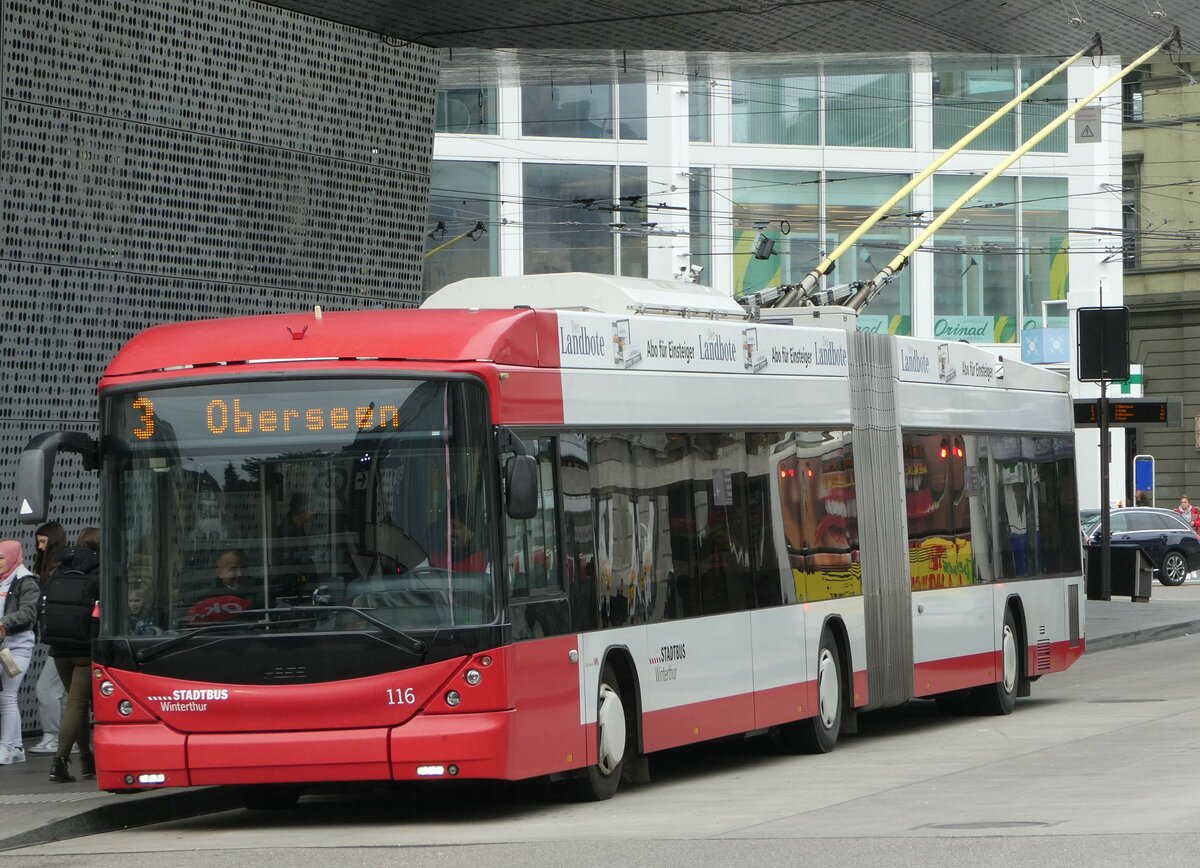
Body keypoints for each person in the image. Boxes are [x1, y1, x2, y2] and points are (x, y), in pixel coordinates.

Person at [45, 533, 100, 783]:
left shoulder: (59, 569)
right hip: (85, 649)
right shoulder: (100, 572)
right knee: (77, 706)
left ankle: (87, 759)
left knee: (74, 707)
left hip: (58, 648)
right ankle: (59, 762)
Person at [30, 521, 68, 756]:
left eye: (43, 541)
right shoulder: (52, 567)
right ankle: (63, 737)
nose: (40, 547)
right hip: (62, 635)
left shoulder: (57, 567)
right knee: (60, 691)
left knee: (46, 689)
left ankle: (54, 736)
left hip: (61, 637)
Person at [0, 541, 40, 765]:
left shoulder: (26, 580)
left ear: (13, 557)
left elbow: (28, 614)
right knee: (5, 696)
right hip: (1, 647)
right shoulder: (2, 579)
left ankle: (6, 747)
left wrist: (4, 623)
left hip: (17, 647)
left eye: (1, 558)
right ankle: (15, 747)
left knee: (7, 695)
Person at [185, 549, 253, 623]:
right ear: (220, 573)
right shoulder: (209, 599)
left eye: (243, 568)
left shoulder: (261, 592)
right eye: (233, 569)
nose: (240, 574)